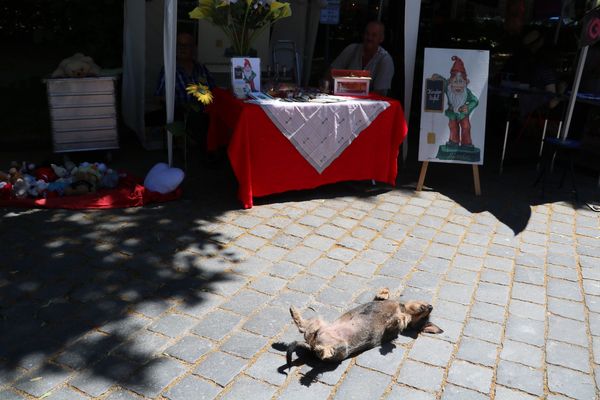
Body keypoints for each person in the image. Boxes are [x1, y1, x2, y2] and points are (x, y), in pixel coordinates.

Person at [152, 31, 216, 156]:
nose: (182, 49)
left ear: (193, 49)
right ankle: (209, 154)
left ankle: (219, 150)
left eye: (186, 45)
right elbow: (158, 96)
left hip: (206, 109)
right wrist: (169, 100)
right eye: (179, 45)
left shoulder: (201, 68)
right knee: (198, 119)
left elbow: (214, 90)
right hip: (182, 111)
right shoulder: (169, 69)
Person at [329, 21, 394, 96]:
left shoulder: (385, 60)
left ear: (381, 39)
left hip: (369, 105)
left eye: (374, 35)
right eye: (367, 34)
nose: (369, 38)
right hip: (342, 100)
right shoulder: (352, 49)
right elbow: (330, 73)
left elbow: (380, 93)